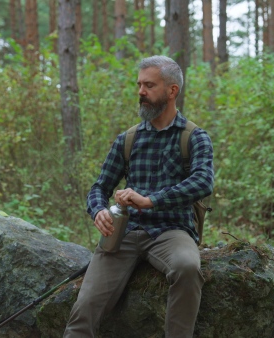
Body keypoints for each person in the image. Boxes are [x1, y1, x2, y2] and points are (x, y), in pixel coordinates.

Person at [63, 55, 214, 338]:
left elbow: (204, 182)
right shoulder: (128, 139)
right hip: (125, 233)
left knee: (187, 267)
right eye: (139, 85)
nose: (141, 92)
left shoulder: (194, 137)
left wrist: (151, 200)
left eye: (149, 85)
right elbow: (99, 187)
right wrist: (99, 211)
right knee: (85, 307)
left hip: (171, 231)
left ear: (172, 91)